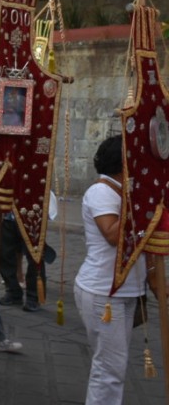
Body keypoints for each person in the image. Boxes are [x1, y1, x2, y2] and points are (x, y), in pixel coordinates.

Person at [74, 135, 152, 405]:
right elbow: (111, 234)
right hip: (103, 291)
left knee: (113, 366)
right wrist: (145, 201)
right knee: (109, 369)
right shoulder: (101, 192)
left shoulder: (124, 192)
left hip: (126, 291)